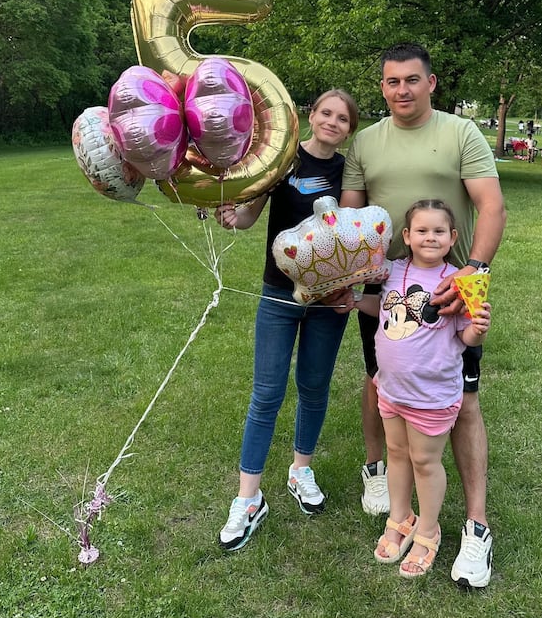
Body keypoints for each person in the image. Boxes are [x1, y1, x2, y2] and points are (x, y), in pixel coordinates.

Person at [340, 43, 506, 588]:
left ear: (431, 84)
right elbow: (348, 218)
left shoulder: (461, 134)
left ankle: (476, 527)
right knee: (380, 381)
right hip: (387, 289)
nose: (402, 90)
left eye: (412, 80)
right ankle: (385, 485)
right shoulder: (364, 142)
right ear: (382, 86)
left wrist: (472, 276)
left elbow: (491, 206)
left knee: (465, 404)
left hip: (449, 293)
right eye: (391, 82)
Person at [214, 89, 359, 551]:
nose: (332, 122)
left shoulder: (350, 173)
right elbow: (249, 215)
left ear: (349, 129)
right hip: (278, 293)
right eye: (326, 113)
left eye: (342, 118)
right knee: (266, 393)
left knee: (314, 387)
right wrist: (228, 214)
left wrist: (348, 289)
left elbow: (354, 237)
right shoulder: (283, 162)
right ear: (310, 116)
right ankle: (249, 499)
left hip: (327, 299)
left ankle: (301, 469)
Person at [353, 200, 492, 578]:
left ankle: (428, 532)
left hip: (431, 396)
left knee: (425, 462)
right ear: (407, 237)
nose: (430, 237)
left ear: (453, 238)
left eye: (439, 232)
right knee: (397, 454)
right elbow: (377, 307)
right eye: (422, 231)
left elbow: (465, 334)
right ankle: (400, 518)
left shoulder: (458, 284)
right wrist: (350, 301)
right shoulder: (393, 271)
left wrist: (477, 328)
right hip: (391, 389)